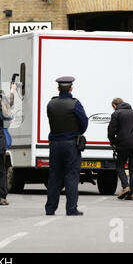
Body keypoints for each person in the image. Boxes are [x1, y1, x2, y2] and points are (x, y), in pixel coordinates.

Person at [45, 76, 88, 216]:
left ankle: (50, 209)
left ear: (58, 88)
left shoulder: (51, 104)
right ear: (71, 88)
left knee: (54, 177)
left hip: (55, 144)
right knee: (71, 176)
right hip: (71, 144)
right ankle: (71, 208)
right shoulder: (75, 104)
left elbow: (50, 119)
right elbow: (84, 124)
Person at [108, 98, 133, 201]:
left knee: (119, 165)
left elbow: (111, 131)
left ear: (114, 105)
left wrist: (113, 142)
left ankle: (125, 186)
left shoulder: (116, 114)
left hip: (123, 144)